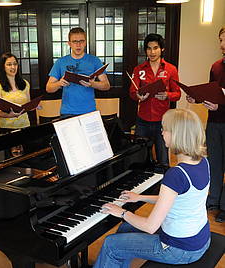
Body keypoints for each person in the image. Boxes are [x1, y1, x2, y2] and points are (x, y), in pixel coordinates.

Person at [93, 108, 210, 268]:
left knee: (110, 244)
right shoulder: (203, 161)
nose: (161, 132)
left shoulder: (176, 174)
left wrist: (121, 212)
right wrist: (140, 197)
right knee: (125, 228)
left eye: (165, 129)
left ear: (177, 134)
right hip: (200, 239)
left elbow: (150, 226)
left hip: (179, 249)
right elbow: (177, 200)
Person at [187, 26, 225, 223]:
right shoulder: (216, 66)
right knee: (215, 164)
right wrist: (198, 98)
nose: (222, 45)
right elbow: (212, 92)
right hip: (214, 123)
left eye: (224, 40)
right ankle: (213, 202)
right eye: (220, 40)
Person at [129, 33, 181, 166]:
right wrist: (138, 96)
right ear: (145, 50)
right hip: (142, 121)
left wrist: (167, 95)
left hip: (162, 121)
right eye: (149, 48)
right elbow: (132, 92)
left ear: (162, 49)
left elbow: (177, 93)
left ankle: (164, 185)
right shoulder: (139, 69)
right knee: (139, 159)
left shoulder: (171, 69)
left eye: (155, 48)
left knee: (163, 159)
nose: (152, 52)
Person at [46, 27, 110, 116]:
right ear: (69, 43)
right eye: (75, 41)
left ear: (85, 43)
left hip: (89, 111)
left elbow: (106, 85)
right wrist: (59, 83)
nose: (78, 45)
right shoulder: (60, 62)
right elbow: (48, 88)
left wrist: (92, 84)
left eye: (81, 41)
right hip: (67, 112)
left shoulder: (94, 60)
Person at [0, 52, 31, 130]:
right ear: (3, 67)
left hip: (25, 125)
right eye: (9, 64)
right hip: (7, 128)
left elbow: (28, 104)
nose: (13, 67)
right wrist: (11, 115)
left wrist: (35, 105)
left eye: (15, 64)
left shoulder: (25, 83)